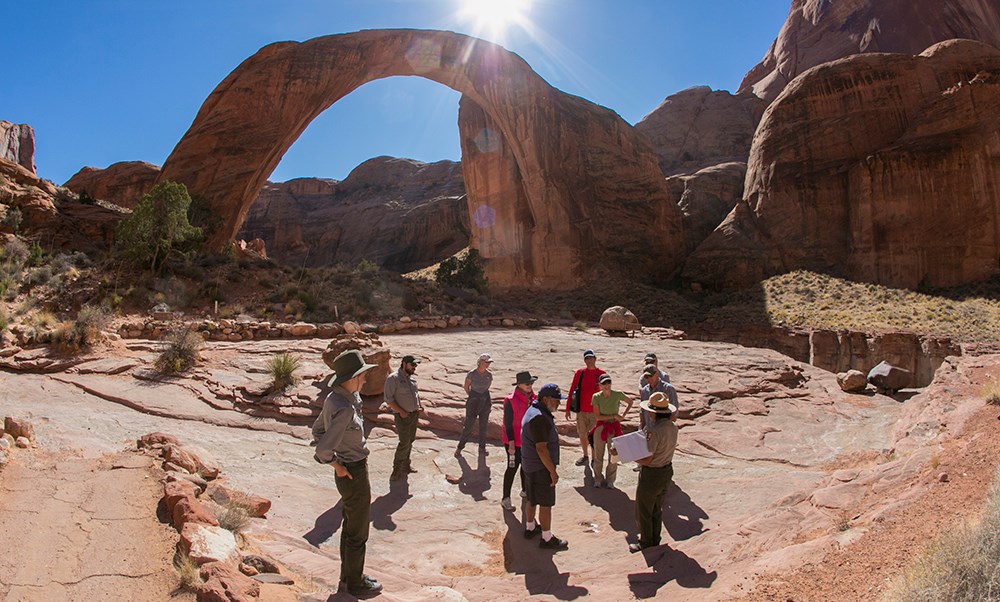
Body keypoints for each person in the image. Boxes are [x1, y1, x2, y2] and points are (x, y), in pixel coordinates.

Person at [311, 349, 383, 598]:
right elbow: (322, 450)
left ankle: (349, 577)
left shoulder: (338, 397)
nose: (365, 379)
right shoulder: (344, 408)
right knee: (358, 530)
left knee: (351, 525)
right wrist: (338, 465)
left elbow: (317, 429)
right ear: (352, 377)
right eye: (362, 375)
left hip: (349, 468)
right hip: (353, 472)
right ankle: (355, 584)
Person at [522, 383, 569, 551]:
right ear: (546, 399)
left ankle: (530, 528)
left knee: (531, 498)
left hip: (529, 464)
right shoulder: (540, 417)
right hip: (541, 467)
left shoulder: (533, 410)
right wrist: (552, 472)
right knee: (545, 503)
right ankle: (547, 538)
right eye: (556, 400)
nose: (559, 404)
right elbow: (541, 448)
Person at [630, 391, 679, 554]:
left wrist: (630, 455)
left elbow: (648, 459)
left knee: (643, 509)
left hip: (652, 474)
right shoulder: (673, 427)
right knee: (657, 507)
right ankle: (655, 539)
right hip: (666, 471)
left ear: (654, 412)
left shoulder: (655, 431)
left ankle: (645, 542)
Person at [500, 370, 538, 511]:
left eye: (531, 383)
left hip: (528, 440)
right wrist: (510, 443)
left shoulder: (535, 399)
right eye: (527, 383)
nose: (530, 385)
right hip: (513, 441)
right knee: (512, 467)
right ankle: (506, 498)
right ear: (520, 385)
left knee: (526, 466)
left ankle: (525, 490)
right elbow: (508, 422)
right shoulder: (510, 401)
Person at [384, 354, 423, 482]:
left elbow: (415, 394)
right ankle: (396, 469)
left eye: (416, 365)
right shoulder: (393, 378)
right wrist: (401, 412)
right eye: (413, 365)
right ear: (404, 364)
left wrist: (420, 406)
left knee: (410, 440)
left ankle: (406, 465)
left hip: (414, 414)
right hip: (402, 416)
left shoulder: (412, 378)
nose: (415, 367)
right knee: (404, 442)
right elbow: (389, 400)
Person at [590, 373, 632, 489]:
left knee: (613, 455)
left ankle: (610, 480)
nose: (607, 385)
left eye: (608, 383)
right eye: (604, 383)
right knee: (598, 455)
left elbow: (630, 402)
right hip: (601, 427)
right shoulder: (596, 397)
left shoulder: (617, 394)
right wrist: (614, 416)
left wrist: (623, 415)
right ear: (600, 385)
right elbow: (598, 417)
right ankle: (598, 478)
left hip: (614, 428)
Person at [566, 349, 606, 467]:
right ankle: (585, 455)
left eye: (591, 358)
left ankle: (594, 458)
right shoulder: (580, 373)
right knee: (582, 434)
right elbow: (573, 390)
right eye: (587, 359)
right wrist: (568, 407)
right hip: (582, 410)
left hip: (595, 411)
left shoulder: (601, 374)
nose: (589, 361)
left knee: (594, 436)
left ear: (595, 359)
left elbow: (606, 392)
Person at [456, 353, 494, 456]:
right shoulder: (472, 374)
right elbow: (466, 386)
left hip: (485, 399)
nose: (488, 364)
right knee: (469, 425)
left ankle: (482, 448)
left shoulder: (489, 375)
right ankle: (460, 448)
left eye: (489, 363)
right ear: (481, 362)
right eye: (486, 362)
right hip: (474, 400)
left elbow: (488, 386)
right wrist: (472, 396)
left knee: (483, 425)